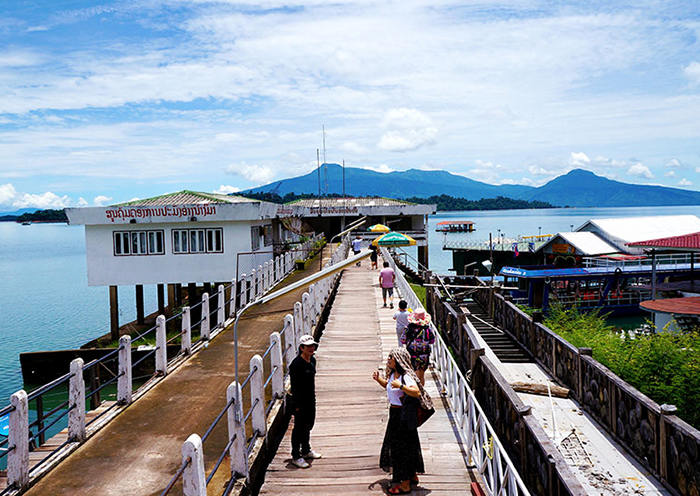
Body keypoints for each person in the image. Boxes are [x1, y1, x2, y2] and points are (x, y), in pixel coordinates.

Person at [372, 347, 432, 494]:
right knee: (406, 446)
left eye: (391, 357)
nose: (389, 359)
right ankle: (411, 476)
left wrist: (401, 386)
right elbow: (389, 386)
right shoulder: (393, 374)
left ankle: (404, 484)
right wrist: (379, 380)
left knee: (401, 449)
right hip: (395, 414)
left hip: (403, 415)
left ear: (398, 360)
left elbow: (416, 391)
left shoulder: (406, 376)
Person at [289, 334, 322, 468]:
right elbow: (295, 386)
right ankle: (295, 455)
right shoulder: (296, 365)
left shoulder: (313, 360)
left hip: (310, 398)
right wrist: (296, 405)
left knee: (309, 424)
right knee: (298, 427)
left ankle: (306, 450)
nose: (311, 348)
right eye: (308, 346)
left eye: (312, 346)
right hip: (299, 401)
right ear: (301, 348)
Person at [401, 308, 435, 385]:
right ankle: (421, 392)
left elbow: (403, 340)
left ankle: (415, 392)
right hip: (424, 356)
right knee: (422, 375)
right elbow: (432, 341)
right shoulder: (427, 330)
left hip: (412, 355)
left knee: (413, 375)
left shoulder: (408, 329)